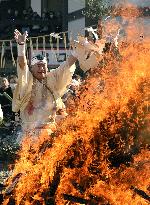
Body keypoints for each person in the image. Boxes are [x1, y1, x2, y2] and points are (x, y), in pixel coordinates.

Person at [12, 29, 103, 135]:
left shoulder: (51, 78)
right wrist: (21, 45)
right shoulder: (28, 80)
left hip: (49, 133)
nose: (42, 68)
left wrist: (77, 52)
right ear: (32, 69)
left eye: (44, 66)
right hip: (29, 134)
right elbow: (22, 65)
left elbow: (66, 66)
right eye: (38, 66)